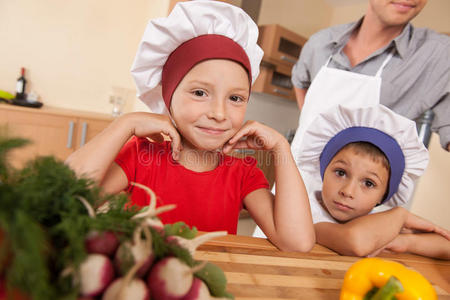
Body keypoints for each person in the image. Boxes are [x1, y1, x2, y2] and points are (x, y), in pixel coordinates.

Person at [65, 1, 315, 252]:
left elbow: (297, 243)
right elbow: (65, 200)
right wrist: (125, 123)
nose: (219, 113)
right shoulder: (141, 157)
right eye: (199, 93)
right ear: (168, 97)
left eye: (235, 98)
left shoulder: (242, 174)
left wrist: (282, 147)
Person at [290, 0, 450, 154]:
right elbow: (300, 81)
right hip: (297, 172)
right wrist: (310, 124)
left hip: (364, 181)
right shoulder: (320, 42)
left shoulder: (439, 55)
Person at [296, 104, 450, 259]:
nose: (348, 191)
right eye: (341, 173)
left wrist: (405, 241)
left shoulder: (377, 219)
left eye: (369, 183)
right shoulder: (306, 212)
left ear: (384, 194)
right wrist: (401, 215)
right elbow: (355, 242)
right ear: (324, 170)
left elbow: (446, 245)